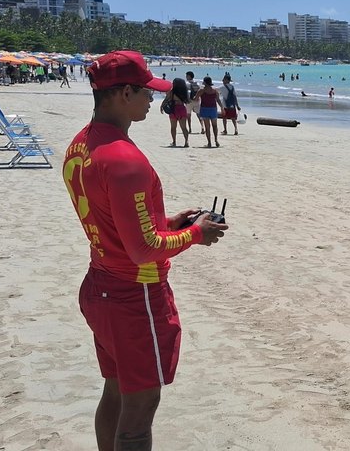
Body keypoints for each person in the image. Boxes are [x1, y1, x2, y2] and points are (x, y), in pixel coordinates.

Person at [62, 50, 228, 449]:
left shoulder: (81, 145)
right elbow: (144, 249)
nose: (154, 99)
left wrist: (169, 222)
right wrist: (195, 235)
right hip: (134, 295)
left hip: (100, 283)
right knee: (139, 411)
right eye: (146, 92)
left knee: (116, 391)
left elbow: (113, 220)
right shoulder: (123, 159)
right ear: (123, 93)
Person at [192, 76, 222, 147]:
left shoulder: (201, 90)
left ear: (204, 82)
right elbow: (218, 100)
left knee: (207, 127)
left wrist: (191, 98)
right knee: (215, 126)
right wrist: (222, 108)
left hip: (204, 109)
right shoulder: (215, 90)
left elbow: (195, 99)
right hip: (213, 109)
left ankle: (209, 143)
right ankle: (216, 140)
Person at [161, 77, 190, 147]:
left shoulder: (172, 92)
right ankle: (186, 141)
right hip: (182, 109)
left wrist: (162, 106)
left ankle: (174, 141)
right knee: (184, 127)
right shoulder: (184, 92)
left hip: (174, 109)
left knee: (173, 127)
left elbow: (166, 99)